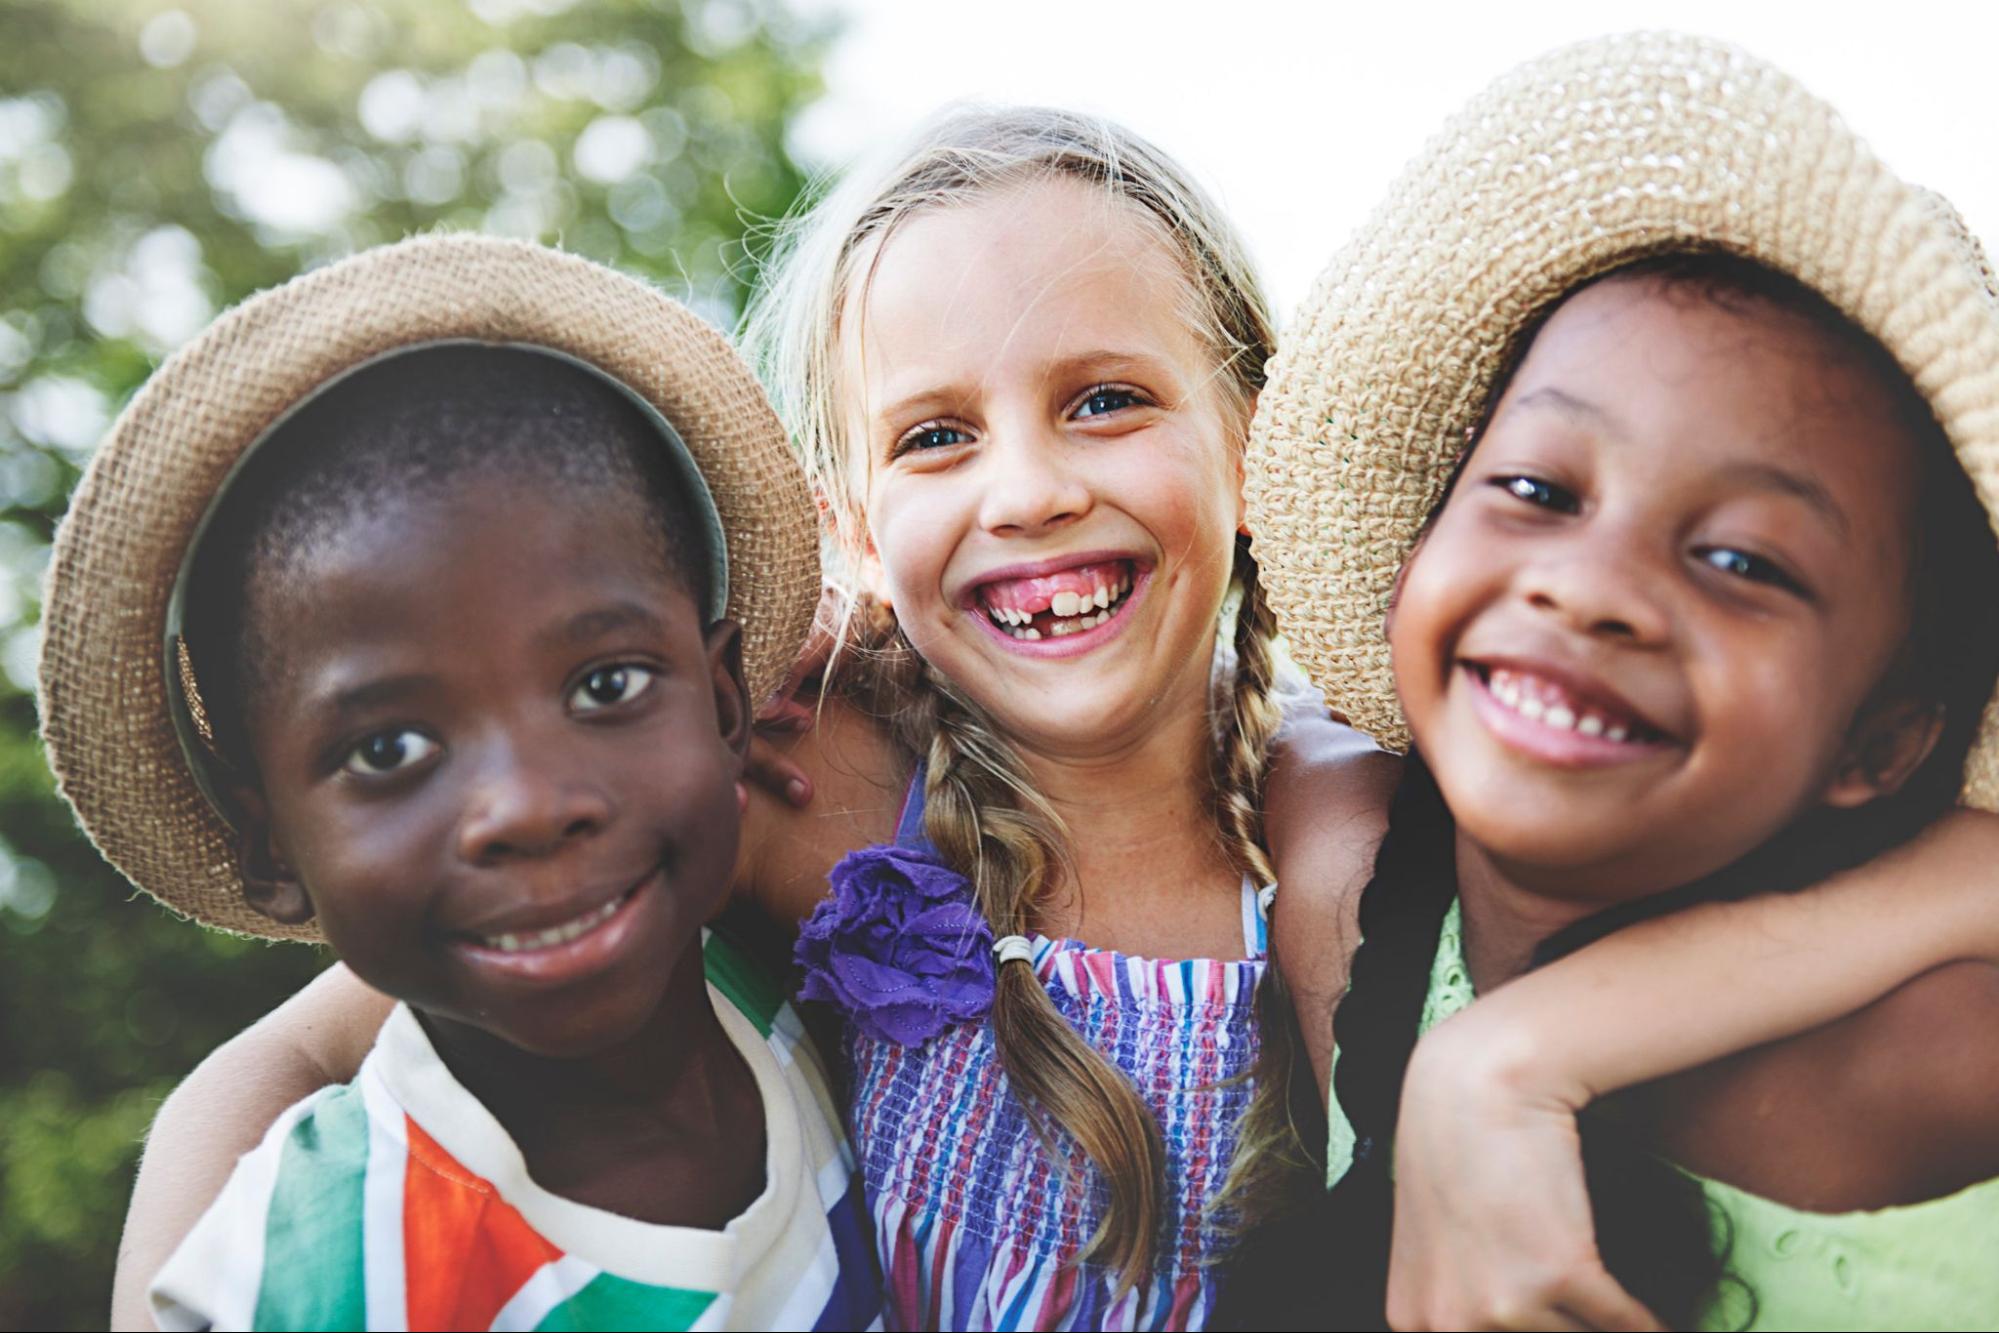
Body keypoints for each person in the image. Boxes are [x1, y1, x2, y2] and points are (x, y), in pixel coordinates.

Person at [1224, 32, 1999, 1329]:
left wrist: (1517, 1056)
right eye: (1534, 488)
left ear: (1880, 741)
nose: (1588, 585)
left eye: (1740, 558)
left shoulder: (1938, 1059)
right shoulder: (1345, 871)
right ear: (1422, 538)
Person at [39, 236, 879, 1330]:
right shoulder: (312, 1285)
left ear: (725, 705)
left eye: (606, 682)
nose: (529, 804)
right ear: (267, 847)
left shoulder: (795, 973)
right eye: (389, 750)